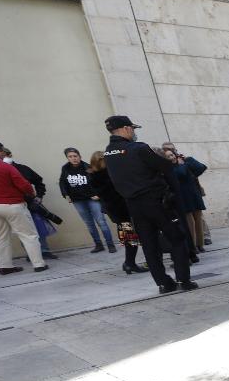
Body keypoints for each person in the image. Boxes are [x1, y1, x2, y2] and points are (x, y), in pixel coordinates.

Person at [102, 116, 196, 294]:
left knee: (150, 245)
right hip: (156, 202)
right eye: (132, 129)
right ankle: (184, 279)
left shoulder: (108, 153)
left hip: (134, 205)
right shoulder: (138, 148)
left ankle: (163, 284)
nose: (134, 132)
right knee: (176, 238)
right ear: (126, 129)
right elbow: (165, 166)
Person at [0, 139, 47, 274]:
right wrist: (30, 194)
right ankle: (39, 264)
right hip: (12, 204)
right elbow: (24, 185)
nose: (4, 154)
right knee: (28, 235)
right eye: (2, 151)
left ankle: (5, 266)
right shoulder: (5, 166)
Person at [89, 151, 145, 275]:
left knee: (129, 238)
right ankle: (129, 264)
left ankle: (129, 263)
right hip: (120, 210)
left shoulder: (95, 176)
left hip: (116, 211)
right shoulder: (107, 175)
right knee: (130, 238)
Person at [0, 148, 57, 261]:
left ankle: (44, 251)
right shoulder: (0, 171)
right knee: (22, 230)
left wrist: (39, 196)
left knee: (39, 227)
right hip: (14, 204)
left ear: (10, 155)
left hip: (30, 203)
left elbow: (39, 181)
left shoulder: (23, 169)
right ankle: (31, 253)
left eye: (5, 155)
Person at [58, 147, 117, 254]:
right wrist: (65, 194)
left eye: (75, 156)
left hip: (92, 199)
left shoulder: (87, 167)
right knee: (89, 223)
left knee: (101, 222)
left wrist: (98, 195)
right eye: (70, 157)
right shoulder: (65, 168)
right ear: (67, 158)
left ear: (80, 156)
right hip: (78, 201)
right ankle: (98, 245)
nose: (73, 158)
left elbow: (99, 182)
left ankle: (110, 245)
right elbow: (62, 182)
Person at [162, 142, 211, 247]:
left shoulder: (185, 161)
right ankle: (193, 246)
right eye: (168, 156)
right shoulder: (169, 168)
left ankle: (200, 244)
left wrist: (188, 161)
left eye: (172, 153)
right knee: (190, 223)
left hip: (193, 194)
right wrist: (183, 165)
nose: (171, 157)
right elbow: (181, 173)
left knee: (198, 220)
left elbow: (201, 167)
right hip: (183, 197)